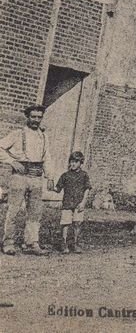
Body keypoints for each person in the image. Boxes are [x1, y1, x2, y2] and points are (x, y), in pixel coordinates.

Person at [0, 105, 53, 255]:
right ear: (28, 117)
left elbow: (47, 157)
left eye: (39, 117)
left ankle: (31, 243)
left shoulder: (43, 136)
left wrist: (50, 176)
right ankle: (8, 243)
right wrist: (12, 161)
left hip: (36, 177)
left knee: (35, 212)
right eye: (33, 116)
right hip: (20, 177)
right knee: (14, 210)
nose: (36, 120)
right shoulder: (18, 134)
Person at [54, 151, 92, 254]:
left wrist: (83, 202)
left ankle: (75, 243)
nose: (73, 164)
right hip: (67, 203)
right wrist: (52, 187)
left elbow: (87, 189)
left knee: (77, 223)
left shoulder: (84, 175)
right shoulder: (65, 175)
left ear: (81, 163)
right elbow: (58, 188)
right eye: (71, 161)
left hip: (78, 203)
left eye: (76, 162)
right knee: (65, 223)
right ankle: (64, 243)